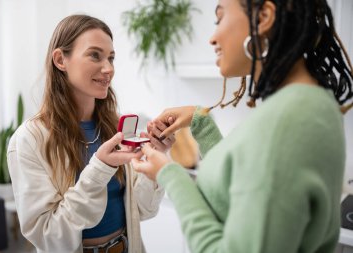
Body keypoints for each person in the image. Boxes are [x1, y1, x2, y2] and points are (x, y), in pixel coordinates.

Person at [132, 0, 353, 253]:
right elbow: (237, 188)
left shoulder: (287, 122)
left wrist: (170, 175)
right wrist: (199, 121)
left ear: (263, 17)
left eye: (220, 18)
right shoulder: (302, 105)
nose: (212, 39)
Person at [7, 14, 174, 253]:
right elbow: (49, 238)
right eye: (95, 55)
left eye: (111, 58)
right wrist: (100, 168)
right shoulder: (28, 140)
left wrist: (156, 158)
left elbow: (143, 210)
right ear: (60, 59)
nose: (108, 69)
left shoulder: (114, 127)